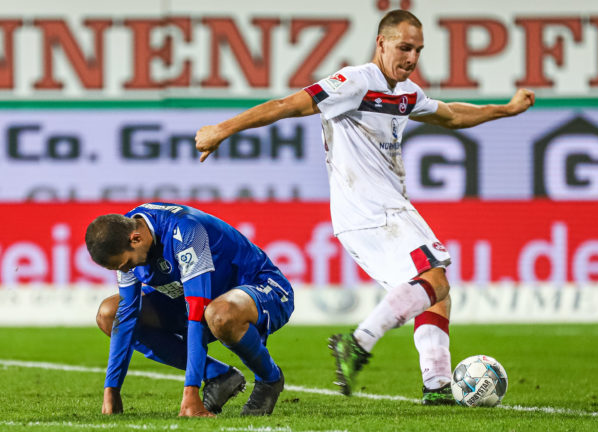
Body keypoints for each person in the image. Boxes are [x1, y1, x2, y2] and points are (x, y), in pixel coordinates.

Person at [194, 9, 534, 404]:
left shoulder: (406, 94)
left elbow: (454, 114)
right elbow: (290, 104)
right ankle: (357, 343)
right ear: (381, 43)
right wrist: (223, 129)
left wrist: (506, 110)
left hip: (372, 213)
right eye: (404, 47)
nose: (411, 58)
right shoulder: (355, 81)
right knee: (435, 278)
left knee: (432, 292)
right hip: (375, 210)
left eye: (418, 50)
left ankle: (437, 384)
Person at [85, 202, 294, 416]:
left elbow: (196, 310)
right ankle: (218, 376)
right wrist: (111, 390)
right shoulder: (127, 232)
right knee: (109, 314)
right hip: (208, 302)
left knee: (219, 314)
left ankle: (269, 379)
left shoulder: (186, 231)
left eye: (126, 264)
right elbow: (126, 314)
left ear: (136, 239)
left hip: (265, 289)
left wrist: (190, 391)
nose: (127, 270)